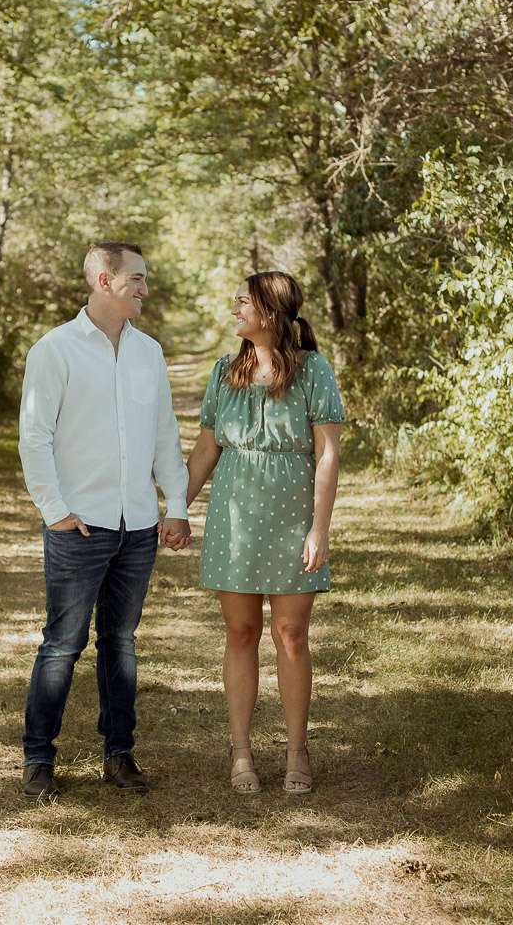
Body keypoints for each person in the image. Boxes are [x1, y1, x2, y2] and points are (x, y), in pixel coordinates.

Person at [16, 242, 193, 798]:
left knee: (121, 641)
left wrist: (177, 506)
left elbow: (165, 435)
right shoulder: (56, 350)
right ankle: (39, 760)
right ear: (103, 278)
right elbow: (35, 436)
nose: (144, 288)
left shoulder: (149, 352)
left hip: (137, 525)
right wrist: (56, 512)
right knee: (62, 645)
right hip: (81, 524)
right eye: (136, 279)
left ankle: (119, 756)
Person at [183, 270, 344, 794]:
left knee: (291, 636)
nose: (235, 310)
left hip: (292, 516)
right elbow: (206, 451)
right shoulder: (223, 372)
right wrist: (174, 510)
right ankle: (241, 755)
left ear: (269, 313)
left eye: (242, 303)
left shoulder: (313, 371)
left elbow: (326, 454)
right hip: (234, 518)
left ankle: (298, 752)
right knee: (241, 633)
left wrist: (319, 529)